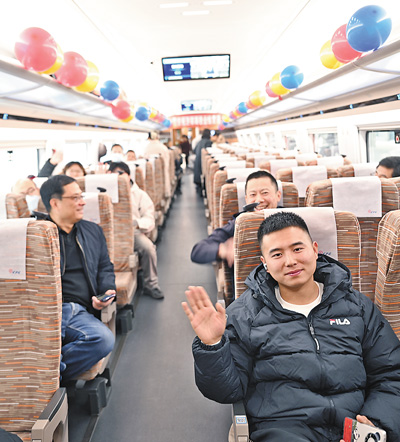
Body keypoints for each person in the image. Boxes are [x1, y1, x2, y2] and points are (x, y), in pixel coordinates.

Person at [182, 211, 400, 442]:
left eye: (297, 249)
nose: (290, 261)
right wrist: (213, 345)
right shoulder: (244, 315)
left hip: (354, 425)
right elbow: (228, 391)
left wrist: (374, 423)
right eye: (277, 254)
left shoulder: (358, 308)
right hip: (284, 429)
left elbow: (391, 374)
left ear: (315, 250)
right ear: (265, 264)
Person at [39, 175, 116, 381]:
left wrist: (106, 291)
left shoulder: (93, 231)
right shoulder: (37, 237)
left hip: (80, 310)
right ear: (55, 203)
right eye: (75, 198)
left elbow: (105, 267)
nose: (82, 202)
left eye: (81, 196)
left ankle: (46, 377)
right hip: (48, 311)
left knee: (103, 339)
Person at [191, 170, 281, 286]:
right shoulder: (239, 224)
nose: (259, 200)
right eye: (253, 195)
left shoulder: (293, 219)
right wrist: (223, 250)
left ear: (278, 195)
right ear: (246, 199)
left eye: (265, 193)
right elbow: (198, 251)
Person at [107, 162, 164, 300]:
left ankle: (151, 284)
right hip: (107, 234)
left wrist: (136, 223)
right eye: (114, 173)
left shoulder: (139, 194)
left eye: (121, 173)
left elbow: (149, 218)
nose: (118, 177)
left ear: (128, 176)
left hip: (133, 232)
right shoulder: (103, 193)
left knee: (148, 248)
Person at [143, 132, 171, 198]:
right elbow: (167, 162)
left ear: (149, 138)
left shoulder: (146, 148)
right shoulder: (163, 147)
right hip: (162, 173)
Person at [193, 128, 212, 194]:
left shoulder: (199, 142)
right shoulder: (209, 142)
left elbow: (194, 150)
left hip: (197, 162)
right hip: (203, 164)